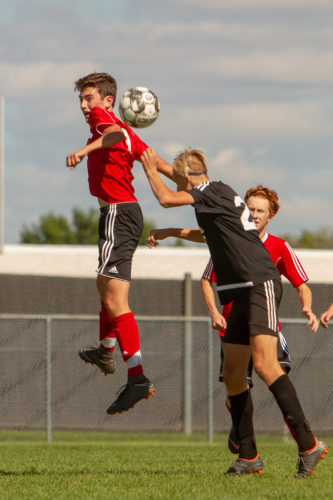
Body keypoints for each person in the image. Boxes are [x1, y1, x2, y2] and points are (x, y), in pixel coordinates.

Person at [141, 147, 327, 477]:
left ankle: (309, 445)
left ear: (187, 177)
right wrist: (170, 228)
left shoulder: (207, 191)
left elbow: (167, 198)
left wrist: (149, 169)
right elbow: (206, 228)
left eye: (179, 176)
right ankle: (249, 456)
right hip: (235, 290)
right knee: (233, 376)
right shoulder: (215, 192)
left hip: (258, 283)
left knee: (266, 365)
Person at [66, 72, 173, 415]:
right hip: (122, 215)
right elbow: (155, 162)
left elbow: (110, 135)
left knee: (114, 297)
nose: (85, 106)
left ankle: (137, 377)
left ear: (109, 101)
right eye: (82, 100)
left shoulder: (108, 124)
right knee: (104, 286)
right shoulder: (127, 132)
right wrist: (196, 185)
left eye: (89, 98)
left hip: (118, 213)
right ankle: (106, 349)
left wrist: (84, 151)